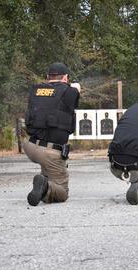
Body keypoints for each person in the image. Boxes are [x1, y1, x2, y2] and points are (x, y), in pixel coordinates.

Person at [23, 62, 80, 206]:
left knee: (48, 161)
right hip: (49, 151)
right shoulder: (69, 91)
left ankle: (45, 178)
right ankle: (46, 187)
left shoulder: (35, 90)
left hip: (30, 146)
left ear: (48, 77)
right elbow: (74, 92)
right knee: (62, 192)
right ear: (65, 77)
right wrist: (76, 87)